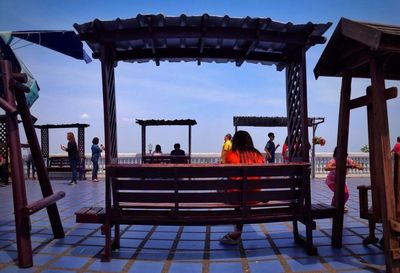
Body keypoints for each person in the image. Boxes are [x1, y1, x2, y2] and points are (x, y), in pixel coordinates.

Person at [219, 130, 265, 245]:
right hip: (254, 197)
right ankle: (237, 232)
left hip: (235, 198)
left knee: (235, 192)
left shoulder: (231, 155)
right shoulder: (258, 155)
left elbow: (228, 177)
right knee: (246, 194)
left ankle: (237, 232)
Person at [324, 147, 363, 212]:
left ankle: (336, 206)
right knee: (343, 193)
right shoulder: (334, 160)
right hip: (332, 181)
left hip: (341, 181)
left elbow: (361, 167)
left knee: (343, 194)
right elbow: (327, 168)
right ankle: (337, 206)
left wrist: (355, 166)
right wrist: (338, 166)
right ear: (337, 154)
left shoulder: (348, 160)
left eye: (345, 154)